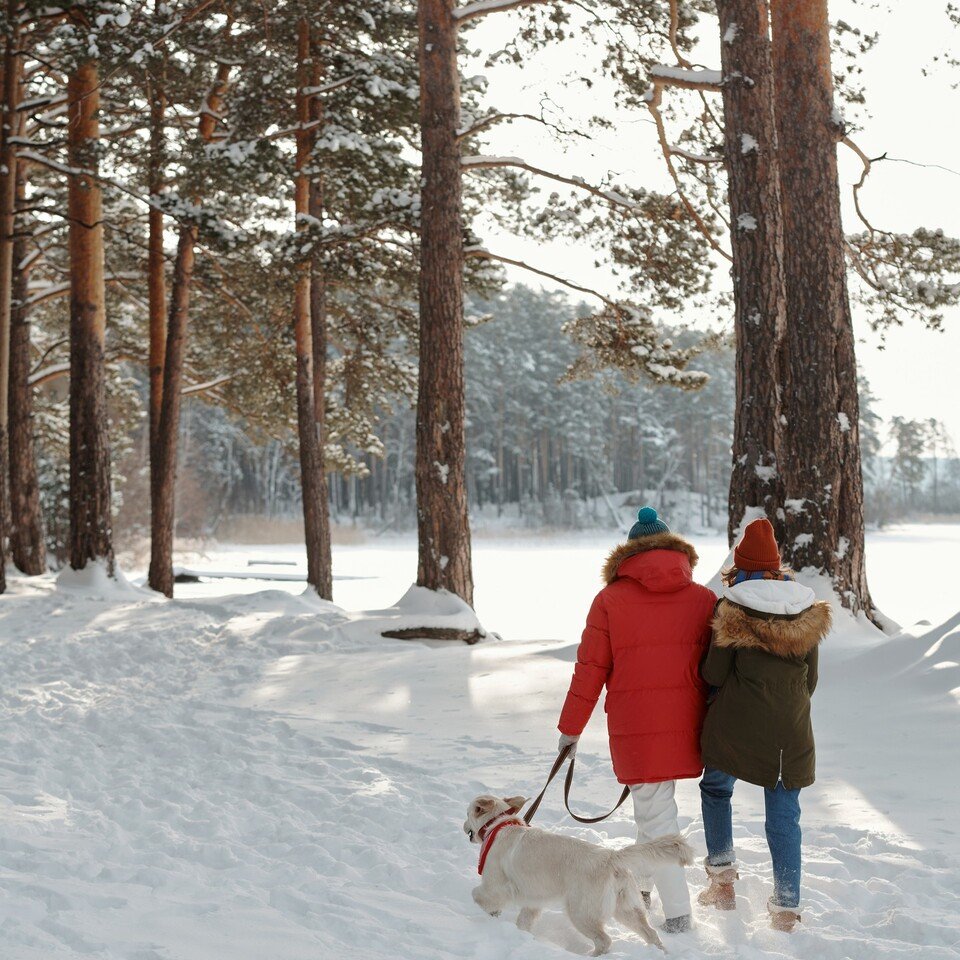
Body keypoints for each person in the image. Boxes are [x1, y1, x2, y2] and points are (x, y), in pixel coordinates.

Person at [557, 507, 716, 933]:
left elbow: (589, 669)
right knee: (654, 808)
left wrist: (570, 728)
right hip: (689, 724)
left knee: (657, 815)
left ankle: (679, 913)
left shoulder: (609, 599)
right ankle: (642, 888)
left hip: (637, 728)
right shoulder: (703, 598)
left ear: (629, 553)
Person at [698, 516, 831, 932]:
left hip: (734, 728)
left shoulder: (732, 606)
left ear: (741, 565)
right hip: (788, 733)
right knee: (784, 813)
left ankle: (722, 884)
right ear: (776, 564)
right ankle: (787, 908)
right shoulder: (806, 608)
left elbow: (713, 675)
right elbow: (811, 681)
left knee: (716, 788)